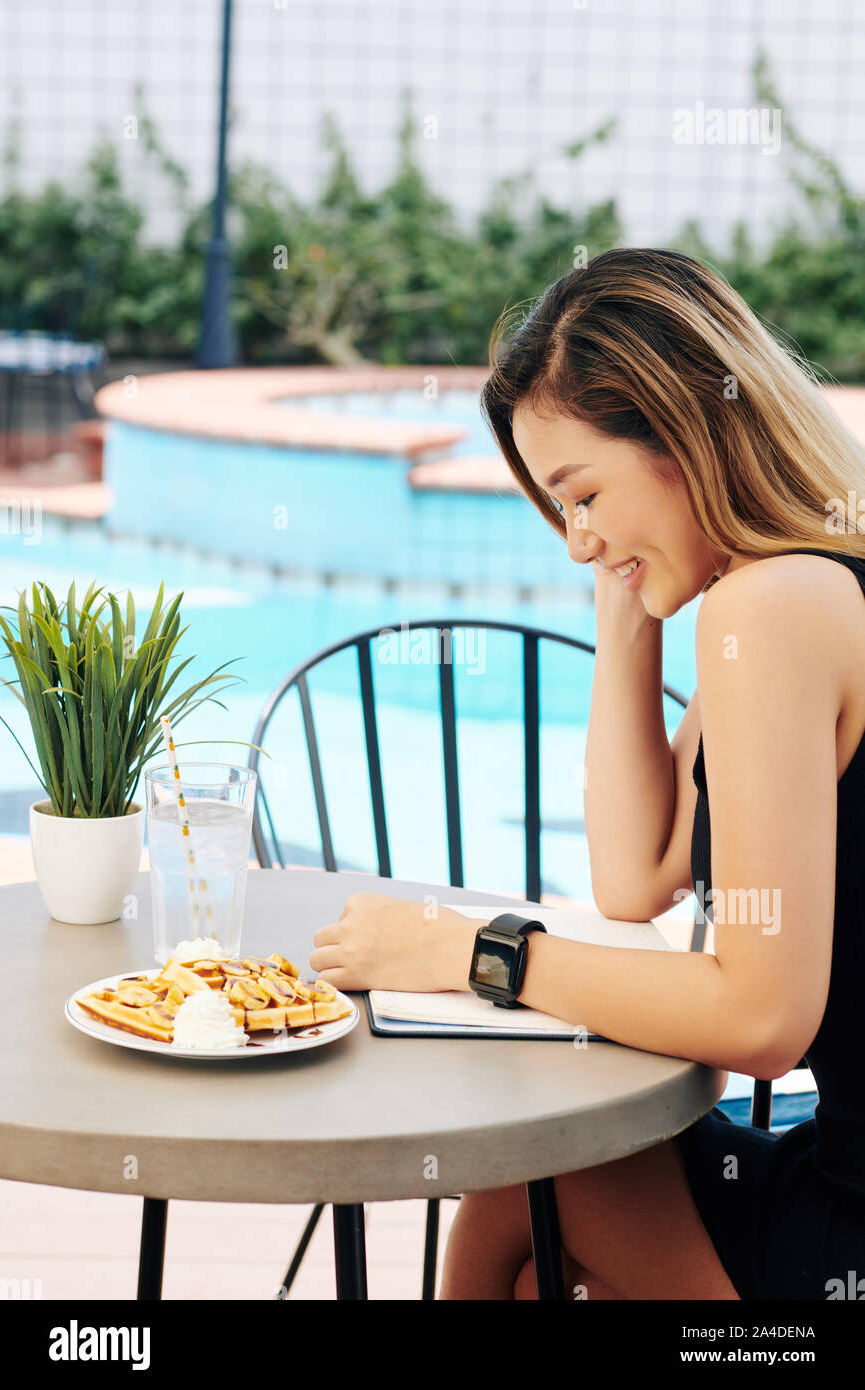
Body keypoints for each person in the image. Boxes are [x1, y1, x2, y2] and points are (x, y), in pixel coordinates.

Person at [311, 247, 865, 1299]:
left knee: (528, 1177)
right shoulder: (791, 586)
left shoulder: (777, 608)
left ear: (682, 433)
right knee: (534, 1230)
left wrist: (468, 952)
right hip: (825, 1175)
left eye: (581, 494)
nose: (572, 542)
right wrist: (627, 601)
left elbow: (758, 1020)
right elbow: (634, 873)